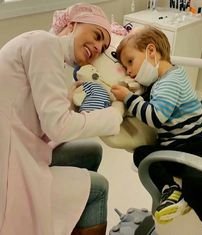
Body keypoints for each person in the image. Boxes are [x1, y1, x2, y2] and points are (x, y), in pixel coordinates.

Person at [0, 3, 124, 235]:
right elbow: (57, 127)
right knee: (99, 188)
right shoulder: (44, 44)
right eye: (96, 36)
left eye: (103, 46)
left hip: (21, 147)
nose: (97, 47)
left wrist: (69, 103)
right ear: (72, 24)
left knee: (91, 151)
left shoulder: (45, 50)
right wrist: (113, 115)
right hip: (9, 164)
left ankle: (71, 217)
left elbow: (40, 119)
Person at [111, 26, 202, 235]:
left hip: (200, 148)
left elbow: (156, 118)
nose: (129, 71)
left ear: (151, 51)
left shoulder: (170, 81)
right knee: (142, 155)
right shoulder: (160, 82)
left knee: (195, 187)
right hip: (175, 150)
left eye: (130, 61)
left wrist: (128, 98)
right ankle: (171, 189)